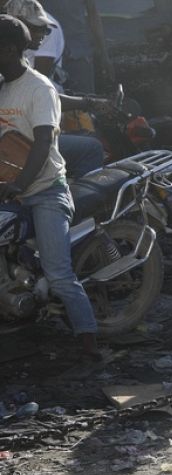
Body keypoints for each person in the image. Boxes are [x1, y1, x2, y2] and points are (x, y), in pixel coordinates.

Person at [0, 14, 98, 356]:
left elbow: (43, 142)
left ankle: (88, 341)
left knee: (59, 274)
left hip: (44, 190)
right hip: (8, 187)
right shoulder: (2, 85)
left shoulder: (39, 89)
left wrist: (19, 184)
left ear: (10, 49)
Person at [6, 0, 107, 176]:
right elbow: (43, 139)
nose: (43, 34)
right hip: (16, 144)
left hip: (16, 135)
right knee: (92, 148)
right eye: (36, 28)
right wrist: (21, 185)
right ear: (17, 27)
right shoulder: (21, 71)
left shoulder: (16, 60)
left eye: (44, 29)